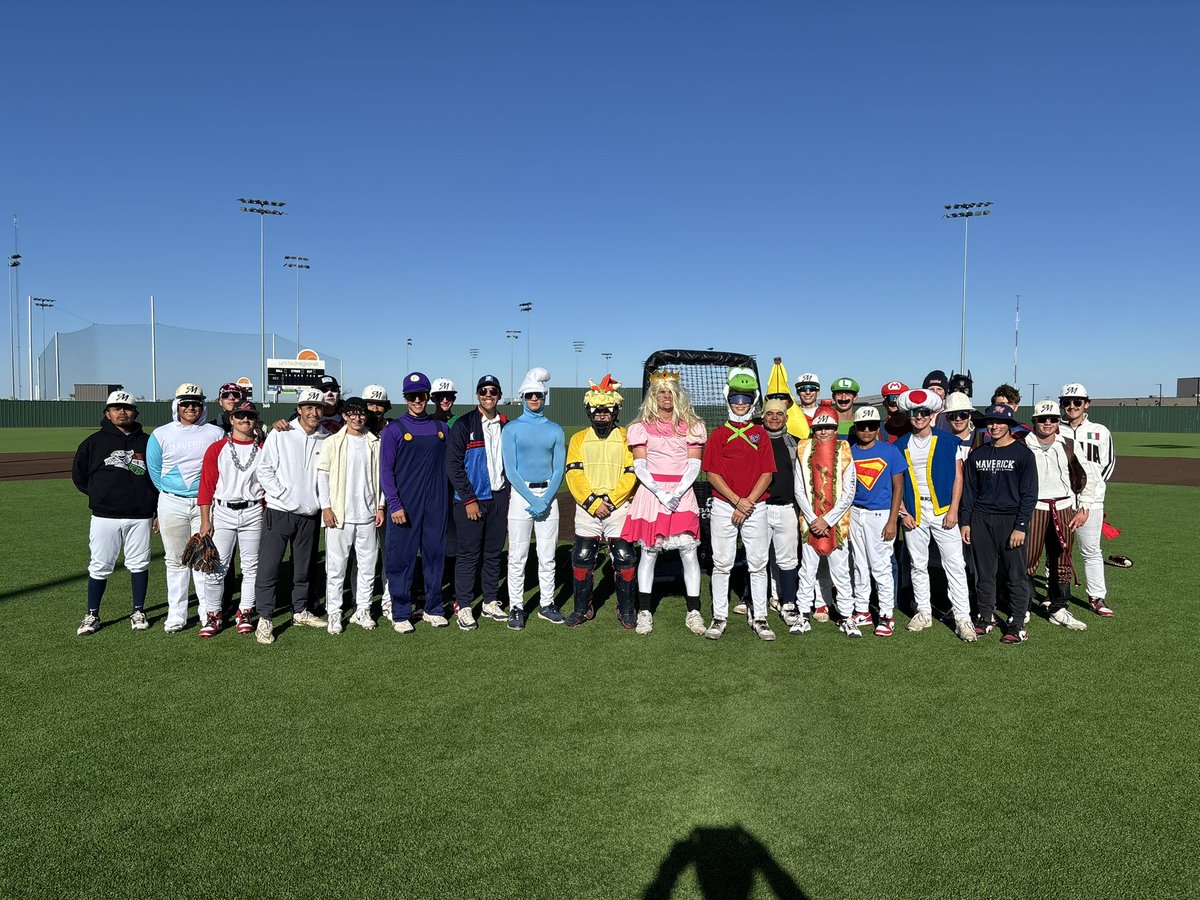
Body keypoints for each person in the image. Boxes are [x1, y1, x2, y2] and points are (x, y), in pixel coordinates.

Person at [620, 370, 707, 635]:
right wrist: (661, 492)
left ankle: (694, 611)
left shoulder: (692, 425)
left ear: (677, 395)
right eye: (661, 392)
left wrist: (677, 492)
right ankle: (645, 611)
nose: (666, 397)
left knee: (689, 553)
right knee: (648, 552)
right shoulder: (640, 426)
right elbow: (640, 466)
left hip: (682, 493)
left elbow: (694, 464)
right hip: (652, 493)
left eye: (670, 392)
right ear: (652, 396)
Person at [72, 390, 158, 636]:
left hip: (140, 515)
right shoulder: (93, 442)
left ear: (135, 413)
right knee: (99, 565)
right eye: (116, 408)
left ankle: (138, 610)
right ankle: (92, 614)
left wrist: (152, 507)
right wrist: (101, 496)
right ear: (107, 413)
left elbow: (156, 476)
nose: (122, 412)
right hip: (104, 516)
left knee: (139, 564)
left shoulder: (147, 441)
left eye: (127, 408)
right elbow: (79, 476)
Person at [894, 389, 975, 642]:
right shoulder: (900, 444)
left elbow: (958, 478)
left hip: (942, 512)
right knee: (917, 564)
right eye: (914, 413)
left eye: (924, 413)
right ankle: (923, 612)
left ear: (932, 415)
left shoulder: (950, 441)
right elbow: (895, 482)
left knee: (955, 566)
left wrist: (953, 509)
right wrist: (901, 512)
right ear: (909, 415)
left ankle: (963, 617)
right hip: (913, 514)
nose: (919, 417)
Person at [702, 369, 777, 641]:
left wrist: (747, 502)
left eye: (745, 398)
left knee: (758, 563)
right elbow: (711, 473)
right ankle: (719, 616)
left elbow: (767, 472)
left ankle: (760, 617)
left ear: (753, 400)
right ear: (728, 400)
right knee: (722, 563)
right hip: (725, 505)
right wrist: (736, 501)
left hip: (755, 506)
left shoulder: (761, 434)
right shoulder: (718, 434)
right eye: (736, 398)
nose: (740, 403)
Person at [254, 388, 332, 644]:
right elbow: (263, 469)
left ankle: (300, 611)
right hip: (279, 511)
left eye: (318, 407)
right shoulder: (281, 432)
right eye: (308, 407)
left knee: (304, 569)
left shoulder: (326, 437)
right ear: (299, 409)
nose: (313, 412)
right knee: (269, 567)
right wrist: (282, 494)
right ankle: (264, 618)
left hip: (309, 514)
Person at [147, 383, 225, 633]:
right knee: (175, 560)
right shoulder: (161, 434)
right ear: (177, 406)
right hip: (171, 502)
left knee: (205, 559)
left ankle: (207, 613)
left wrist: (201, 497)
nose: (191, 408)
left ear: (203, 406)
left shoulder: (215, 433)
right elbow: (155, 471)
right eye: (186, 403)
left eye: (196, 403)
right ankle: (177, 614)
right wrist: (172, 494)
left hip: (206, 505)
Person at [564, 375, 638, 627]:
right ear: (588, 411)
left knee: (625, 558)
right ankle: (582, 608)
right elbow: (574, 474)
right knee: (582, 557)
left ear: (616, 410)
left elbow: (632, 473)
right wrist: (594, 503)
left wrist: (611, 500)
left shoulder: (628, 437)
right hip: (588, 508)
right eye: (596, 410)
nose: (601, 415)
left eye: (606, 410)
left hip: (618, 507)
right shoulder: (578, 439)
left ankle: (627, 609)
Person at [961, 403, 1038, 644]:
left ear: (1009, 425)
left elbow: (1029, 494)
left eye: (999, 422)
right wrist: (966, 522)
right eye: (990, 422)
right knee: (984, 573)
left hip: (1010, 520)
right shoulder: (978, 454)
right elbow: (970, 492)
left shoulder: (1023, 454)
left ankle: (1017, 622)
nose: (994, 426)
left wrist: (1021, 526)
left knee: (1015, 574)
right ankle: (985, 617)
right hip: (981, 519)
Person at [381, 372, 451, 633]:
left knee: (435, 556)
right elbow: (386, 472)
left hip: (436, 503)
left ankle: (433, 608)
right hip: (405, 506)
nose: (417, 400)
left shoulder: (442, 429)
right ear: (405, 398)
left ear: (428, 396)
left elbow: (453, 466)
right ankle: (400, 612)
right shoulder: (394, 430)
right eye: (412, 396)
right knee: (401, 559)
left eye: (422, 395)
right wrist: (395, 504)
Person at [502, 367, 566, 629]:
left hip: (548, 497)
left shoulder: (555, 429)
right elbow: (510, 469)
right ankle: (516, 607)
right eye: (530, 396)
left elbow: (558, 467)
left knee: (547, 555)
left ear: (544, 397)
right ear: (522, 397)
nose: (534, 400)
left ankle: (546, 603)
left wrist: (546, 498)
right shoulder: (512, 429)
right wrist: (532, 499)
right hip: (521, 495)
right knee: (517, 555)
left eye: (539, 396)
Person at [196, 399, 265, 638]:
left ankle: (244, 611)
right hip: (223, 511)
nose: (245, 420)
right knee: (216, 566)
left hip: (254, 510)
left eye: (250, 416)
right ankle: (213, 614)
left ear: (256, 420)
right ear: (231, 419)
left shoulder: (264, 446)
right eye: (240, 416)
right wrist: (206, 520)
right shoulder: (217, 448)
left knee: (251, 567)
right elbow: (206, 486)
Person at [446, 375, 509, 629]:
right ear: (477, 395)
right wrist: (469, 498)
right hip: (470, 500)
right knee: (469, 555)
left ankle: (490, 600)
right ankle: (463, 605)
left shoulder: (507, 425)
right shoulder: (463, 424)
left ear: (499, 395)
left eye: (493, 391)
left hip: (499, 497)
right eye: (483, 391)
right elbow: (453, 465)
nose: (488, 395)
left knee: (493, 553)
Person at [318, 396, 385, 634]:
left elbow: (381, 478)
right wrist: (326, 507)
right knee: (336, 567)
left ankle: (362, 609)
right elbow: (322, 475)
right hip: (339, 516)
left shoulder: (374, 441)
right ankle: (334, 613)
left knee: (367, 565)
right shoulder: (332, 442)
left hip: (368, 515)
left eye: (361, 414)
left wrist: (380, 506)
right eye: (352, 414)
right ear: (344, 416)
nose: (357, 418)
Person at [791, 402, 858, 636]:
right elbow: (799, 488)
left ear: (835, 427)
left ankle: (847, 616)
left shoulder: (845, 449)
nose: (824, 431)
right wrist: (812, 519)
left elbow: (849, 491)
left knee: (841, 571)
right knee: (807, 570)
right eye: (820, 427)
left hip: (837, 523)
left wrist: (828, 520)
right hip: (809, 523)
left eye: (829, 427)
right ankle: (802, 615)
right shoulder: (803, 449)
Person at [1024, 400, 1089, 631]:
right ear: (1035, 421)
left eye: (1053, 419)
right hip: (1034, 507)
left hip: (1063, 507)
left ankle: (1058, 608)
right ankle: (1023, 608)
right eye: (1043, 419)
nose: (1048, 423)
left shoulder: (1068, 444)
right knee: (1028, 559)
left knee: (1062, 558)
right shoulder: (1024, 445)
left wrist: (1084, 506)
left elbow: (1084, 475)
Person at [1058, 382, 1117, 617]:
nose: (1071, 406)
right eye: (1066, 402)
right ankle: (1055, 595)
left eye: (1077, 402)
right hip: (1061, 499)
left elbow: (1108, 465)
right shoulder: (1054, 428)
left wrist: (1088, 496)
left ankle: (1097, 597)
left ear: (1086, 404)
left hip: (1090, 501)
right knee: (1057, 549)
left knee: (1091, 550)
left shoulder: (1100, 431)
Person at [847, 406, 906, 636]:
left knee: (880, 567)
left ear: (878, 427)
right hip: (855, 513)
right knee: (859, 564)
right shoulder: (849, 451)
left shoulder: (889, 451)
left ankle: (886, 614)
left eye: (872, 426)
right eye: (863, 426)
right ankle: (862, 610)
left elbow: (898, 487)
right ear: (856, 428)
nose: (868, 430)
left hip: (880, 514)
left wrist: (893, 520)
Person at [760, 398, 801, 627]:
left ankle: (788, 603)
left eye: (779, 414)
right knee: (758, 557)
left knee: (787, 559)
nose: (774, 418)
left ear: (786, 417)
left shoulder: (795, 443)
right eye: (770, 414)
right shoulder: (755, 441)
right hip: (760, 508)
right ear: (763, 417)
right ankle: (753, 600)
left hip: (787, 508)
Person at [765, 357, 811, 439]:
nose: (778, 400)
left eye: (782, 397)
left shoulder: (804, 419)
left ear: (789, 400)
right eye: (773, 397)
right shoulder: (756, 427)